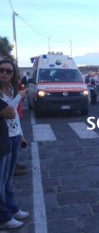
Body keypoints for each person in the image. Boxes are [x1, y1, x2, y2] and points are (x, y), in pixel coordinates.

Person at [0, 59, 29, 229]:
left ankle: (12, 208)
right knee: (1, 180)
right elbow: (9, 112)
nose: (4, 73)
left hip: (15, 136)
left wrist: (21, 134)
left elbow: (16, 117)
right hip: (3, 138)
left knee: (9, 178)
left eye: (8, 71)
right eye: (1, 70)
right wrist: (20, 96)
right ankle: (4, 216)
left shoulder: (10, 90)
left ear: (13, 74)